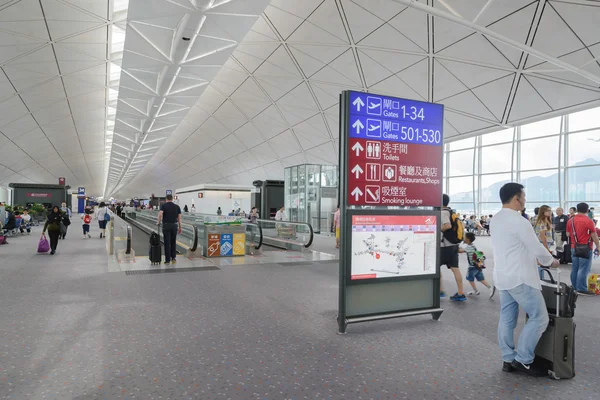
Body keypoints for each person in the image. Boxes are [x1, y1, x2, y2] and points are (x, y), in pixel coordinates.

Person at [490, 183, 558, 377]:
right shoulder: (519, 221)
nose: (525, 200)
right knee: (539, 317)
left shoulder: (496, 219)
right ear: (516, 198)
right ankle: (524, 360)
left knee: (507, 317)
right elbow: (536, 247)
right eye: (524, 197)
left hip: (502, 275)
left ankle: (508, 358)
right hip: (520, 277)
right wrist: (550, 261)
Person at [566, 202, 600, 295]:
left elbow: (568, 234)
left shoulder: (570, 220)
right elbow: (594, 235)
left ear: (576, 210)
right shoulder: (589, 221)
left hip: (574, 246)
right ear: (587, 210)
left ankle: (574, 287)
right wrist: (598, 246)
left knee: (575, 268)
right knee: (583, 268)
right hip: (586, 247)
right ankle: (581, 289)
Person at [439, 194, 466, 301]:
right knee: (455, 269)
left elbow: (447, 225)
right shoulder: (451, 212)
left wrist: (438, 229)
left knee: (436, 268)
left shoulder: (442, 212)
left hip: (445, 246)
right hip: (454, 245)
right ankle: (460, 292)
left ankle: (440, 290)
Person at [459, 232, 495, 298]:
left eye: (464, 237)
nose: (463, 237)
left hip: (472, 267)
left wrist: (457, 246)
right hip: (478, 265)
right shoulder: (472, 245)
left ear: (467, 239)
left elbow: (460, 251)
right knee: (481, 279)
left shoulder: (469, 247)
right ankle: (490, 288)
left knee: (470, 278)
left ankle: (476, 291)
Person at [157, 194, 182, 264]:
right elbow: (179, 218)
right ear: (172, 199)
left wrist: (158, 222)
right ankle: (173, 258)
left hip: (166, 226)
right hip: (174, 226)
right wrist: (180, 227)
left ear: (166, 199)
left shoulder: (164, 206)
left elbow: (160, 214)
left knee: (167, 243)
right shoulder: (177, 207)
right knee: (173, 242)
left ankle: (167, 260)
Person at [533, 205, 555, 277]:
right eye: (548, 210)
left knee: (541, 263)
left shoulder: (545, 220)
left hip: (544, 243)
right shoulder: (542, 221)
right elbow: (542, 236)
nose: (550, 212)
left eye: (550, 210)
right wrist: (546, 248)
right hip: (542, 243)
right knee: (541, 263)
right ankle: (540, 280)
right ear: (543, 212)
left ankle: (540, 279)